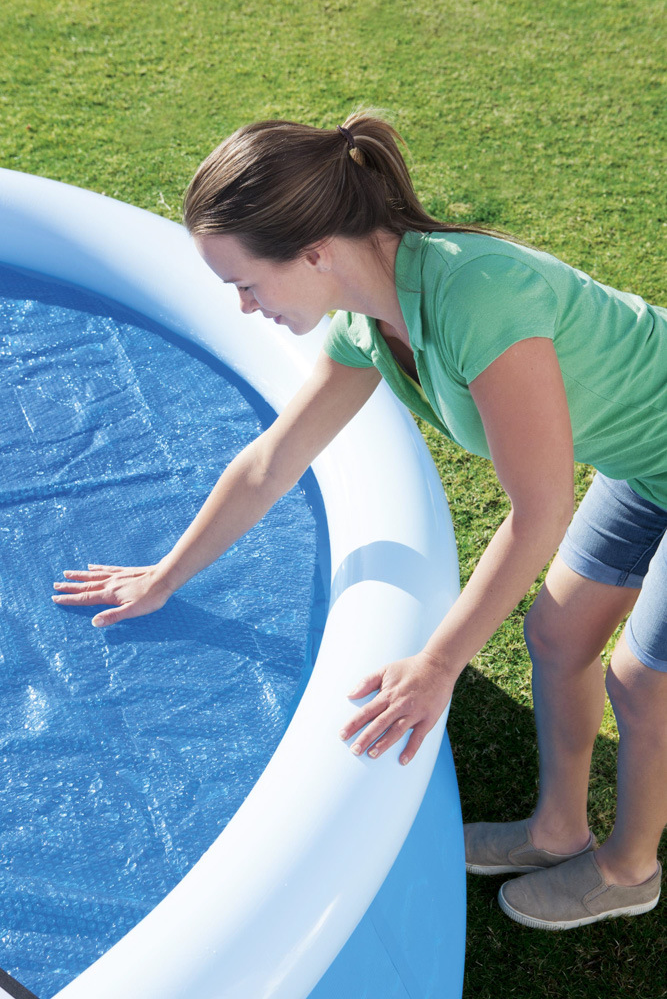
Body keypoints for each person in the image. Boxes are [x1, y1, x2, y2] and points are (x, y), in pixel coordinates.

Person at [52, 110, 666, 931]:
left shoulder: (476, 296)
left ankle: (627, 871)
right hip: (647, 464)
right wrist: (165, 576)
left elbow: (540, 508)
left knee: (641, 680)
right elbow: (273, 462)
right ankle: (557, 830)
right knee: (556, 638)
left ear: (313, 253)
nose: (243, 307)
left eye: (246, 284)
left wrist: (438, 664)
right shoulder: (366, 322)